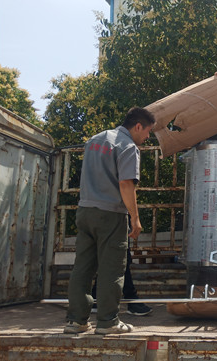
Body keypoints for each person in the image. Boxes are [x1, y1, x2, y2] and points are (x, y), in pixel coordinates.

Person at [64, 107, 155, 334]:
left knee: (83, 267)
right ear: (138, 126)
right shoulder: (128, 146)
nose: (147, 137)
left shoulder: (95, 140)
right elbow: (126, 183)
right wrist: (135, 218)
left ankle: (76, 321)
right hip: (111, 214)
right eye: (148, 132)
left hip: (85, 211)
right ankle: (108, 322)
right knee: (112, 268)